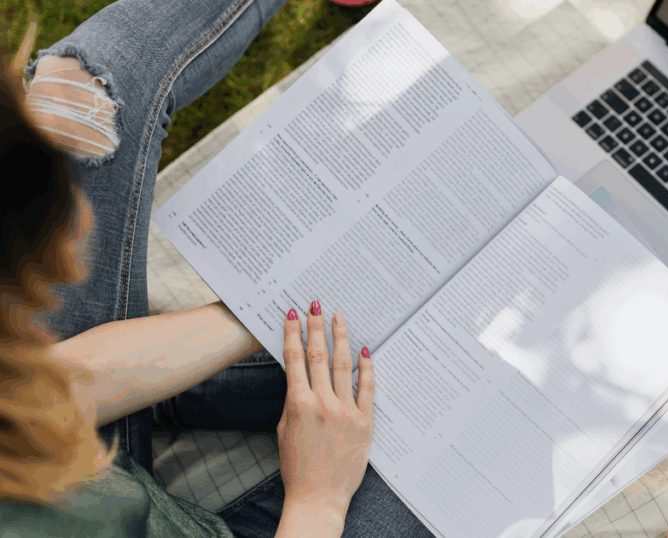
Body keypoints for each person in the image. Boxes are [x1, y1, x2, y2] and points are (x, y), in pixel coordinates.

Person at [0, 0, 432, 536]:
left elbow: (27, 398)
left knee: (74, 97)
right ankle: (186, 398)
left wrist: (256, 311)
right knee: (452, 415)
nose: (81, 228)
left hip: (68, 448)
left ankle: (173, 398)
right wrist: (317, 502)